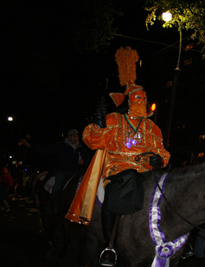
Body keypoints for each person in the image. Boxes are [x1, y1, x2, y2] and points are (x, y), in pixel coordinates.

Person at [66, 46, 170, 266]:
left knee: (169, 189)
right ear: (129, 101)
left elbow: (162, 150)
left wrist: (159, 159)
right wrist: (99, 123)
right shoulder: (114, 120)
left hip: (147, 170)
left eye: (143, 98)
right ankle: (109, 245)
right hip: (117, 168)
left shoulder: (152, 127)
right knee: (122, 184)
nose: (141, 102)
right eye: (137, 99)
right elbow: (92, 140)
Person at [19, 129, 89, 215]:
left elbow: (88, 161)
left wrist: (84, 162)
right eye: (74, 136)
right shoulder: (61, 146)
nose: (76, 137)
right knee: (57, 187)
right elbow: (45, 150)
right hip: (63, 171)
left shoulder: (81, 149)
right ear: (69, 137)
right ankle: (53, 208)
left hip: (77, 172)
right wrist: (29, 145)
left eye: (77, 136)